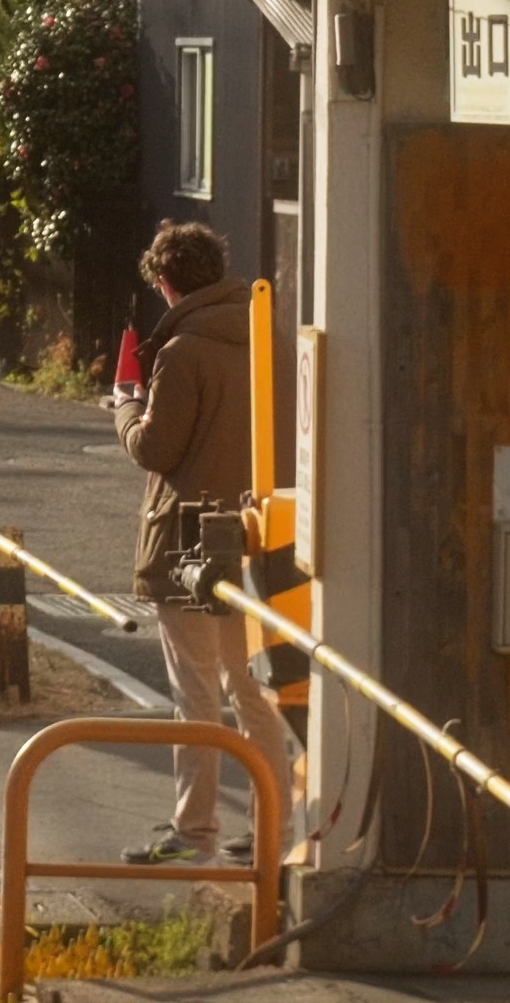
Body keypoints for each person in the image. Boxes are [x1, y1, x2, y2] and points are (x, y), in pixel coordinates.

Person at [114, 218, 291, 866]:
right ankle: (273, 824)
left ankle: (194, 830)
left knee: (195, 693)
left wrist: (125, 408)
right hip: (255, 535)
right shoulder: (264, 336)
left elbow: (156, 448)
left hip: (188, 541)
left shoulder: (182, 350)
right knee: (255, 690)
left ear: (165, 283)